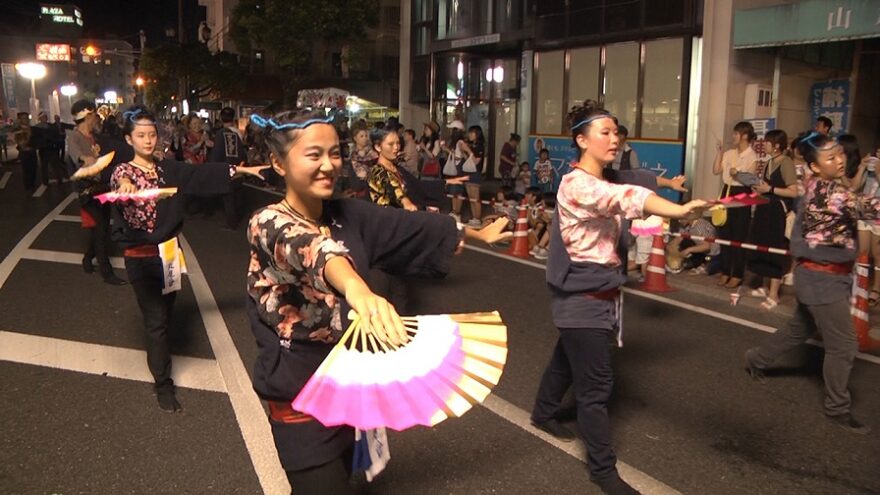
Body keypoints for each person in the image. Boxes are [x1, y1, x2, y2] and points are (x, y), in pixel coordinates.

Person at [244, 110, 510, 494]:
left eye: (335, 153)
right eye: (313, 155)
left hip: (350, 383)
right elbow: (313, 250)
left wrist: (474, 234)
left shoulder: (349, 213)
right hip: (299, 393)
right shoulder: (266, 222)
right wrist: (358, 289)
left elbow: (409, 225)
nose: (328, 165)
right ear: (278, 163)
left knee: (350, 479)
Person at [531, 100, 706, 495]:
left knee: (566, 358)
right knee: (596, 388)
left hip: (599, 294)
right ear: (581, 140)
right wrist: (678, 212)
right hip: (582, 298)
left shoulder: (608, 177)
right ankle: (603, 470)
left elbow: (636, 179)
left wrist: (670, 189)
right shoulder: (577, 184)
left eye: (616, 132)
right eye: (604, 133)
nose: (614, 139)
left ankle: (542, 413)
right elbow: (629, 196)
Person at [109, 107, 268, 411]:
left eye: (152, 134)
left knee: (166, 316)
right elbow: (122, 183)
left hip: (169, 254)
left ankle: (162, 364)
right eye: (140, 135)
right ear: (129, 138)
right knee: (156, 320)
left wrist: (243, 171)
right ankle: (162, 384)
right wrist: (127, 189)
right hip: (141, 257)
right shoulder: (123, 171)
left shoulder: (167, 169)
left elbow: (201, 173)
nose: (147, 140)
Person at [745, 131, 878, 435]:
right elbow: (870, 208)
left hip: (822, 275)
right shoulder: (830, 194)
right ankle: (837, 408)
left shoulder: (821, 185)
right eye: (831, 157)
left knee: (799, 328)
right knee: (844, 344)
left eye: (840, 154)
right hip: (823, 278)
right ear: (815, 167)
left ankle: (756, 358)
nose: (840, 160)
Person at [66, 100, 127, 285]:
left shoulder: (97, 136)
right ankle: (106, 272)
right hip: (87, 190)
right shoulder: (73, 137)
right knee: (101, 229)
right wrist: (85, 158)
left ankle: (87, 259)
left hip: (103, 187)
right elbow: (77, 155)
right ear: (86, 116)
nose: (97, 118)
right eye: (94, 115)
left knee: (100, 228)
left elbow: (118, 148)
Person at [746, 129, 798, 310]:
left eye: (768, 142)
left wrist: (770, 189)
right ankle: (763, 286)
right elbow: (766, 187)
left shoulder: (786, 162)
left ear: (777, 145)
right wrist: (758, 189)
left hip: (776, 210)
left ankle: (774, 294)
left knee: (774, 249)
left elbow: (793, 191)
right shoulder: (769, 162)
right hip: (765, 207)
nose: (764, 145)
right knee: (761, 246)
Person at [712, 121, 758, 289]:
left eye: (735, 134)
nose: (733, 137)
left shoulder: (752, 156)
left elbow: (751, 179)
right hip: (727, 191)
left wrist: (737, 174)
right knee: (724, 233)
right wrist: (719, 152)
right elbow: (716, 170)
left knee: (738, 235)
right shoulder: (729, 153)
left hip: (742, 194)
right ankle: (725, 271)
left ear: (744, 136)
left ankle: (737, 274)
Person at [208, 107, 249, 229]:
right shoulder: (237, 134)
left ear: (221, 118)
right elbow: (243, 152)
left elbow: (217, 153)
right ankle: (237, 218)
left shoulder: (221, 133)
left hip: (226, 167)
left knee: (228, 197)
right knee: (237, 193)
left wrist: (212, 167)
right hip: (238, 166)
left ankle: (232, 223)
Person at [13, 112, 39, 192]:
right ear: (20, 120)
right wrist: (28, 134)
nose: (26, 120)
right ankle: (28, 187)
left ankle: (32, 185)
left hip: (32, 152)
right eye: (24, 118)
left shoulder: (32, 128)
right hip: (25, 153)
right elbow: (21, 142)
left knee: (34, 169)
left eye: (27, 118)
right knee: (27, 170)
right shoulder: (18, 130)